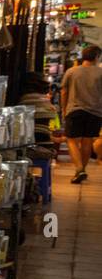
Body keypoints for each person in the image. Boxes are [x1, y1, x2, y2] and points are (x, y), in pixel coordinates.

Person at [61, 44, 102, 182]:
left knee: (71, 139)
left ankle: (79, 168)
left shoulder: (71, 72)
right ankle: (81, 170)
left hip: (75, 110)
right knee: (87, 141)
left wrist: (64, 109)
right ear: (96, 56)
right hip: (95, 112)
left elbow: (64, 91)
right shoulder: (101, 73)